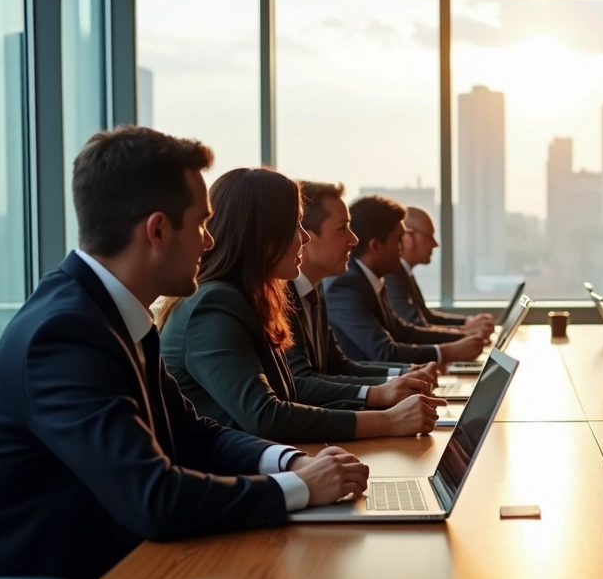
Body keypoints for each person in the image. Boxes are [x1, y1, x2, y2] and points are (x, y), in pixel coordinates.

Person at [0, 126, 367, 579]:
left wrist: (292, 463)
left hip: (131, 566)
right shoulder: (65, 334)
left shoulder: (110, 313)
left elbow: (193, 434)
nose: (209, 242)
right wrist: (301, 489)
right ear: (158, 230)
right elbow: (154, 497)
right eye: (202, 224)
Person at [159, 169, 446, 444]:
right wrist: (388, 421)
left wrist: (383, 404)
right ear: (262, 234)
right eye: (296, 225)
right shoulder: (214, 304)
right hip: (230, 471)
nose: (305, 237)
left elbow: (291, 397)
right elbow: (266, 416)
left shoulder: (252, 298)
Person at [287, 181, 440, 394]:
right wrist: (379, 393)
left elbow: (337, 365)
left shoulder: (315, 290)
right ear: (305, 237)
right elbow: (300, 383)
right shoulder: (283, 297)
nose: (354, 239)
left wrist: (405, 374)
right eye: (342, 229)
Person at [326, 195, 489, 366]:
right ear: (375, 246)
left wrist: (464, 338)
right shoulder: (344, 287)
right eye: (398, 241)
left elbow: (403, 332)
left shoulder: (369, 279)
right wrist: (446, 352)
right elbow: (384, 352)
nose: (403, 248)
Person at [385, 206, 494, 337]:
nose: (435, 244)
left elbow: (427, 317)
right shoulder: (393, 277)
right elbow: (416, 326)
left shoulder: (404, 273)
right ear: (407, 238)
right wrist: (465, 332)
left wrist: (468, 322)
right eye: (429, 236)